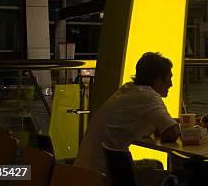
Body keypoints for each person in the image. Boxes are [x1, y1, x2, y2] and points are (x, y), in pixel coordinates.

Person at [75, 52, 180, 181]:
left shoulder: (128, 90)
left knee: (156, 165)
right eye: (169, 78)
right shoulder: (148, 96)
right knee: (170, 179)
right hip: (104, 176)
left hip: (84, 172)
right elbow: (172, 133)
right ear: (158, 79)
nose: (171, 84)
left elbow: (158, 127)